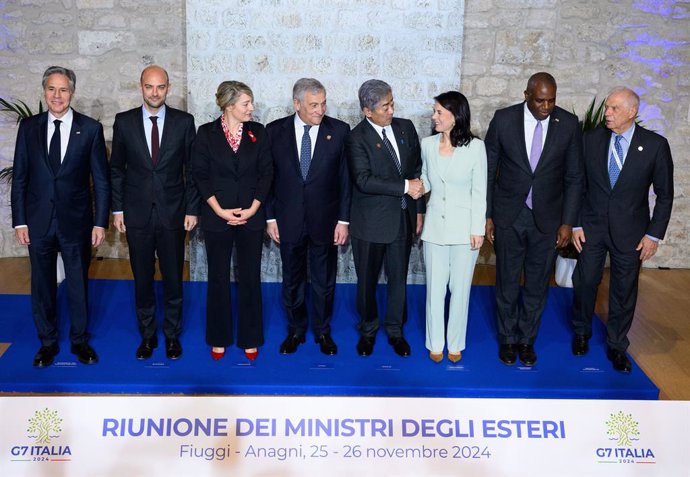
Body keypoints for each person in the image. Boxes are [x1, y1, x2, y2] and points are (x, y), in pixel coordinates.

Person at [11, 66, 110, 367]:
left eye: (63, 89)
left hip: (76, 222)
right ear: (44, 91)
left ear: (72, 93)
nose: (57, 95)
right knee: (41, 285)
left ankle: (80, 342)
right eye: (52, 89)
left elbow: (101, 180)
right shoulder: (28, 128)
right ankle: (47, 343)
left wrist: (99, 222)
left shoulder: (90, 129)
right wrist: (20, 220)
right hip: (38, 222)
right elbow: (20, 177)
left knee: (78, 284)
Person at [571, 87, 673, 373]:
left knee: (624, 290)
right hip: (591, 228)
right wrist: (577, 222)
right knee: (585, 281)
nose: (607, 113)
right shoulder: (590, 140)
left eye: (614, 109)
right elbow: (578, 183)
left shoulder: (655, 145)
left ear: (632, 111)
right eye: (606, 108)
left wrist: (653, 235)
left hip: (632, 232)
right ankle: (581, 332)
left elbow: (665, 195)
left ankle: (617, 345)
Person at [485, 72, 583, 367]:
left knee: (538, 283)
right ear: (526, 94)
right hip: (509, 216)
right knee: (507, 281)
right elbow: (488, 170)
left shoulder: (567, 124)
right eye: (540, 100)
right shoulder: (503, 120)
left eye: (551, 100)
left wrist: (567, 222)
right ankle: (507, 339)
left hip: (548, 219)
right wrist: (487, 215)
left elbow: (574, 177)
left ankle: (526, 340)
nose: (546, 106)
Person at [110, 65, 200, 361]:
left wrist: (191, 209)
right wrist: (118, 209)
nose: (155, 92)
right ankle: (148, 336)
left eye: (160, 87)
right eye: (149, 87)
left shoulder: (184, 122)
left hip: (173, 213)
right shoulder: (123, 122)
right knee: (143, 278)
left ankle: (172, 336)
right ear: (141, 87)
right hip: (136, 215)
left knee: (174, 277)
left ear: (168, 88)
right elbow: (116, 170)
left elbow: (193, 171)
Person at [265, 78, 351, 356]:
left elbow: (345, 180)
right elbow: (267, 179)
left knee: (324, 281)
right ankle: (295, 330)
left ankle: (323, 332)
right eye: (313, 105)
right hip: (287, 220)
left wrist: (343, 220)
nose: (320, 109)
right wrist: (270, 218)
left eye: (323, 103)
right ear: (296, 104)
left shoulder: (339, 131)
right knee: (292, 280)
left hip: (325, 222)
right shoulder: (274, 131)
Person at [192, 81, 273, 362]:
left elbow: (267, 173)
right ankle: (219, 337)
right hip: (217, 217)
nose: (251, 108)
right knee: (218, 278)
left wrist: (252, 209)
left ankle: (250, 338)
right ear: (228, 106)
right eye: (246, 104)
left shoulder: (258, 132)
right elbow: (199, 175)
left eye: (251, 103)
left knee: (250, 278)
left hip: (251, 217)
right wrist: (219, 210)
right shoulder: (205, 134)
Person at [346, 79, 425, 358]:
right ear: (368, 111)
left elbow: (415, 169)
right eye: (384, 106)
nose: (391, 110)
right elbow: (363, 180)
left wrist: (419, 210)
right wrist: (405, 187)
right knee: (366, 282)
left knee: (398, 280)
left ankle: (395, 330)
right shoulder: (356, 138)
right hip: (369, 225)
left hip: (402, 220)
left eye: (392, 103)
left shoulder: (406, 128)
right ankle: (368, 330)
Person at [420, 91, 486, 363]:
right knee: (434, 290)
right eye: (434, 112)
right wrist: (410, 186)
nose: (434, 117)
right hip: (434, 229)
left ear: (455, 116)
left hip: (464, 232)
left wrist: (478, 229)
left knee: (460, 291)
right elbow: (426, 181)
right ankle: (435, 342)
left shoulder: (476, 148)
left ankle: (455, 342)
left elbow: (479, 191)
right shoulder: (427, 144)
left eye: (439, 113)